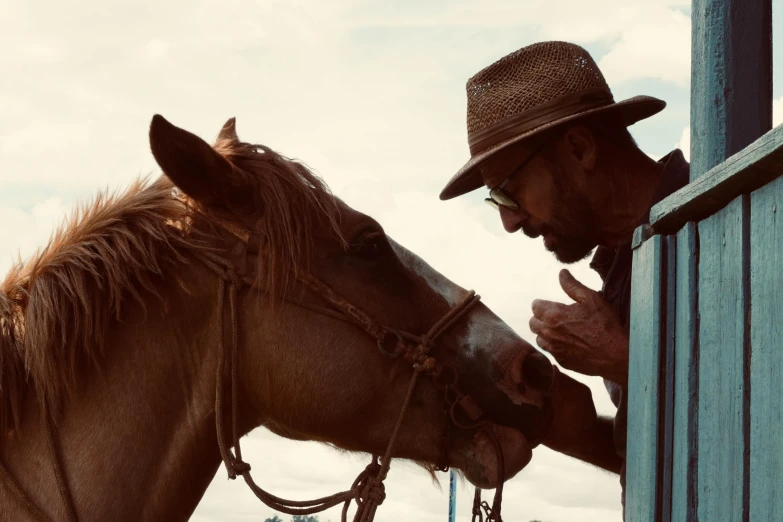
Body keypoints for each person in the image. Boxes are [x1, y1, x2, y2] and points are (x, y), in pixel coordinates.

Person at [438, 41, 690, 514]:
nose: (510, 223)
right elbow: (666, 458)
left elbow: (758, 423)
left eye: (508, 192)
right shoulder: (621, 270)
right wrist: (560, 425)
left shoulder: (734, 224)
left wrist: (622, 362)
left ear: (580, 148)